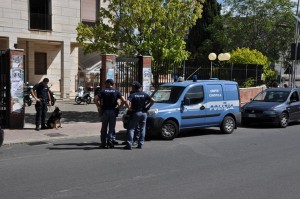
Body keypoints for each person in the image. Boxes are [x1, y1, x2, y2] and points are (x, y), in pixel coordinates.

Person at [94, 79, 129, 149]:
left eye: (105, 83)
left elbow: (95, 99)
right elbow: (124, 100)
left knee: (104, 128)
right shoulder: (116, 91)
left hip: (105, 111)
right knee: (111, 128)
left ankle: (103, 143)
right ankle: (110, 141)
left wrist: (99, 106)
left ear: (108, 84)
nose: (104, 85)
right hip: (113, 111)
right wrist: (119, 107)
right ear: (112, 84)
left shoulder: (103, 91)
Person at [123, 81, 154, 150]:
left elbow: (126, 101)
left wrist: (129, 108)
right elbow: (153, 100)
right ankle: (140, 144)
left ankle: (129, 144)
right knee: (142, 129)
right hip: (143, 113)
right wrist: (148, 107)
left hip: (135, 113)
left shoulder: (133, 95)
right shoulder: (144, 94)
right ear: (140, 88)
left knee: (131, 129)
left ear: (134, 88)